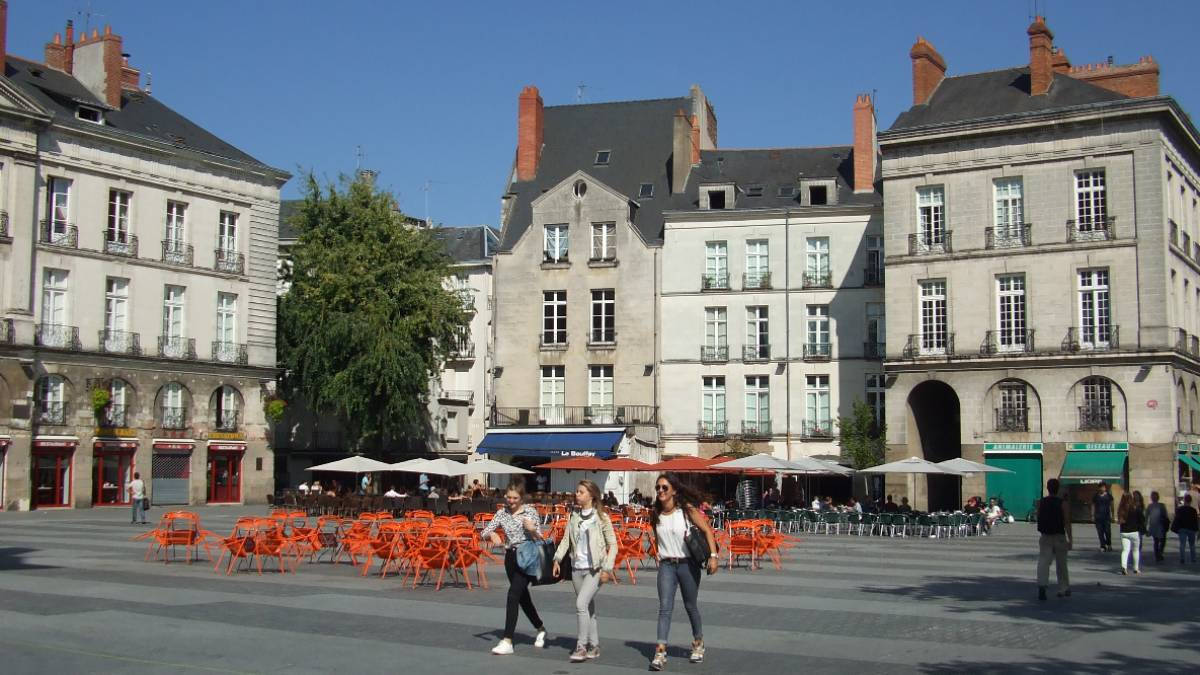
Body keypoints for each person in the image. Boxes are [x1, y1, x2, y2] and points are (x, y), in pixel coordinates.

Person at [649, 473, 718, 671]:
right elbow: (657, 537)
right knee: (665, 607)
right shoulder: (655, 513)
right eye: (658, 488)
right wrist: (657, 552)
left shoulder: (686, 511)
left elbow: (707, 530)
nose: (660, 491)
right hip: (666, 566)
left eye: (664, 488)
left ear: (674, 490)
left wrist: (713, 556)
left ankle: (698, 642)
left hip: (688, 564)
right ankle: (660, 650)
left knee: (690, 605)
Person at [552, 480, 617, 662]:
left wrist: (607, 568)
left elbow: (613, 545)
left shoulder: (601, 517)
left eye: (581, 492)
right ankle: (594, 646)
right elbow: (566, 540)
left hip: (595, 569)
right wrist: (557, 558)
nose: (577, 495)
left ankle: (581, 646)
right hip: (576, 568)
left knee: (581, 605)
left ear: (591, 495)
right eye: (577, 492)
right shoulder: (574, 516)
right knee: (588, 608)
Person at [483, 480, 548, 655]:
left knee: (513, 595)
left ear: (521, 498)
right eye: (509, 497)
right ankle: (540, 628)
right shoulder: (502, 513)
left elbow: (540, 538)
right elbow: (484, 531)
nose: (511, 501)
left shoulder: (530, 512)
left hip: (527, 557)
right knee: (522, 598)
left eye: (515, 498)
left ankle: (507, 640)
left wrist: (532, 529)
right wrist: (492, 534)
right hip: (510, 557)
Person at [1036, 478, 1072, 601]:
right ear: (1058, 489)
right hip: (1059, 535)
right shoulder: (1063, 503)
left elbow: (1038, 517)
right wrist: (1070, 539)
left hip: (1045, 535)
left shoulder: (1041, 502)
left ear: (1048, 488)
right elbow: (1067, 521)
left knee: (1043, 562)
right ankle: (1063, 588)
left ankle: (1042, 584)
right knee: (1061, 563)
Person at [1117, 491, 1145, 575]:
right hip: (1134, 532)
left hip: (1124, 532)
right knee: (1135, 550)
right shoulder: (1135, 508)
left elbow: (1120, 521)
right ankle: (1136, 568)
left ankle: (1124, 567)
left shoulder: (1120, 509)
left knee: (1125, 550)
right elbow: (1142, 519)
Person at [1145, 491, 1170, 563]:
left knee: (1160, 541)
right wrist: (1145, 526)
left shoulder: (1161, 505)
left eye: (1155, 496)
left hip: (1160, 525)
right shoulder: (1150, 506)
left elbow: (1165, 516)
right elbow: (1146, 517)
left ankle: (1159, 554)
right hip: (1155, 526)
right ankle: (1158, 554)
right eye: (1153, 496)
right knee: (1158, 541)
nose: (1154, 498)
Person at [1173, 494, 1198, 563]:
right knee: (1192, 545)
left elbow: (1177, 519)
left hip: (1182, 528)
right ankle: (1193, 558)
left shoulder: (1180, 509)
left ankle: (1182, 558)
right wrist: (1197, 530)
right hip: (1191, 529)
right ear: (1191, 501)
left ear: (1184, 500)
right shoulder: (1193, 510)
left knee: (1182, 544)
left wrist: (1176, 528)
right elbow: (1195, 521)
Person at [1092, 482, 1114, 552]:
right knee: (1100, 532)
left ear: (1105, 488)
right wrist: (1092, 515)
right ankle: (1102, 545)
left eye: (1103, 487)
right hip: (1098, 517)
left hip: (1106, 516)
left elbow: (1112, 505)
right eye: (1101, 487)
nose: (1102, 488)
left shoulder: (1109, 496)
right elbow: (1093, 505)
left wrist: (1112, 515)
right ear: (1099, 488)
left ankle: (1109, 544)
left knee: (1107, 531)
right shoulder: (1096, 496)